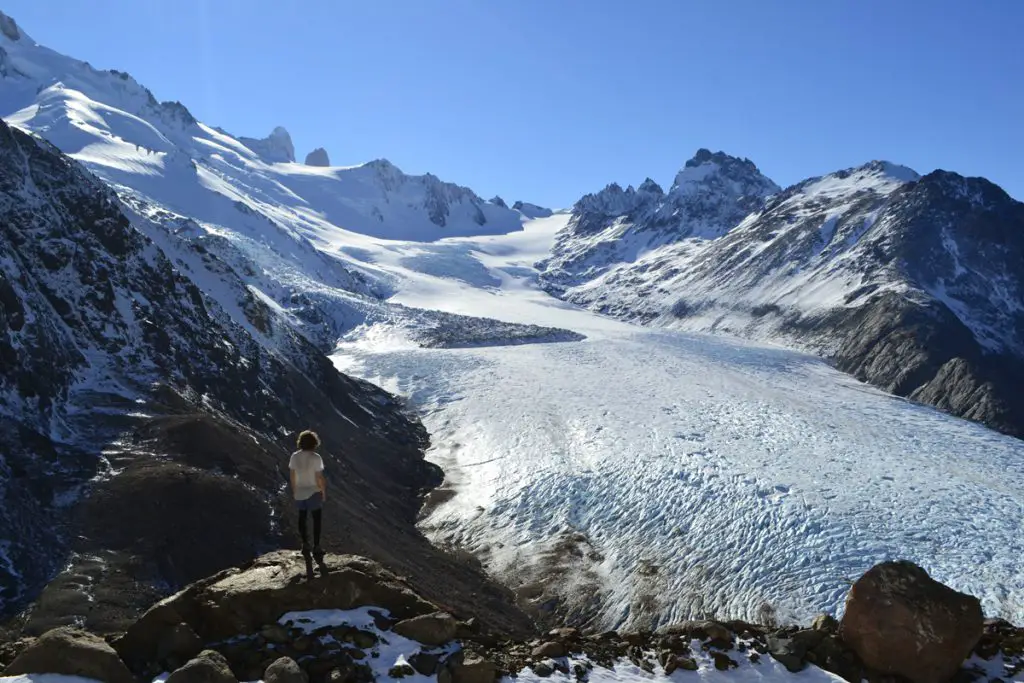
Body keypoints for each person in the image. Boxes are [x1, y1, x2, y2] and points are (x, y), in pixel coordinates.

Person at [289, 430, 327, 559]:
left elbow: (292, 475)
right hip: (313, 491)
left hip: (300, 490)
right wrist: (323, 491)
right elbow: (319, 477)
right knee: (316, 520)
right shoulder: (316, 458)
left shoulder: (295, 456)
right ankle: (317, 546)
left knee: (302, 517)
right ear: (314, 443)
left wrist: (294, 490)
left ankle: (305, 544)